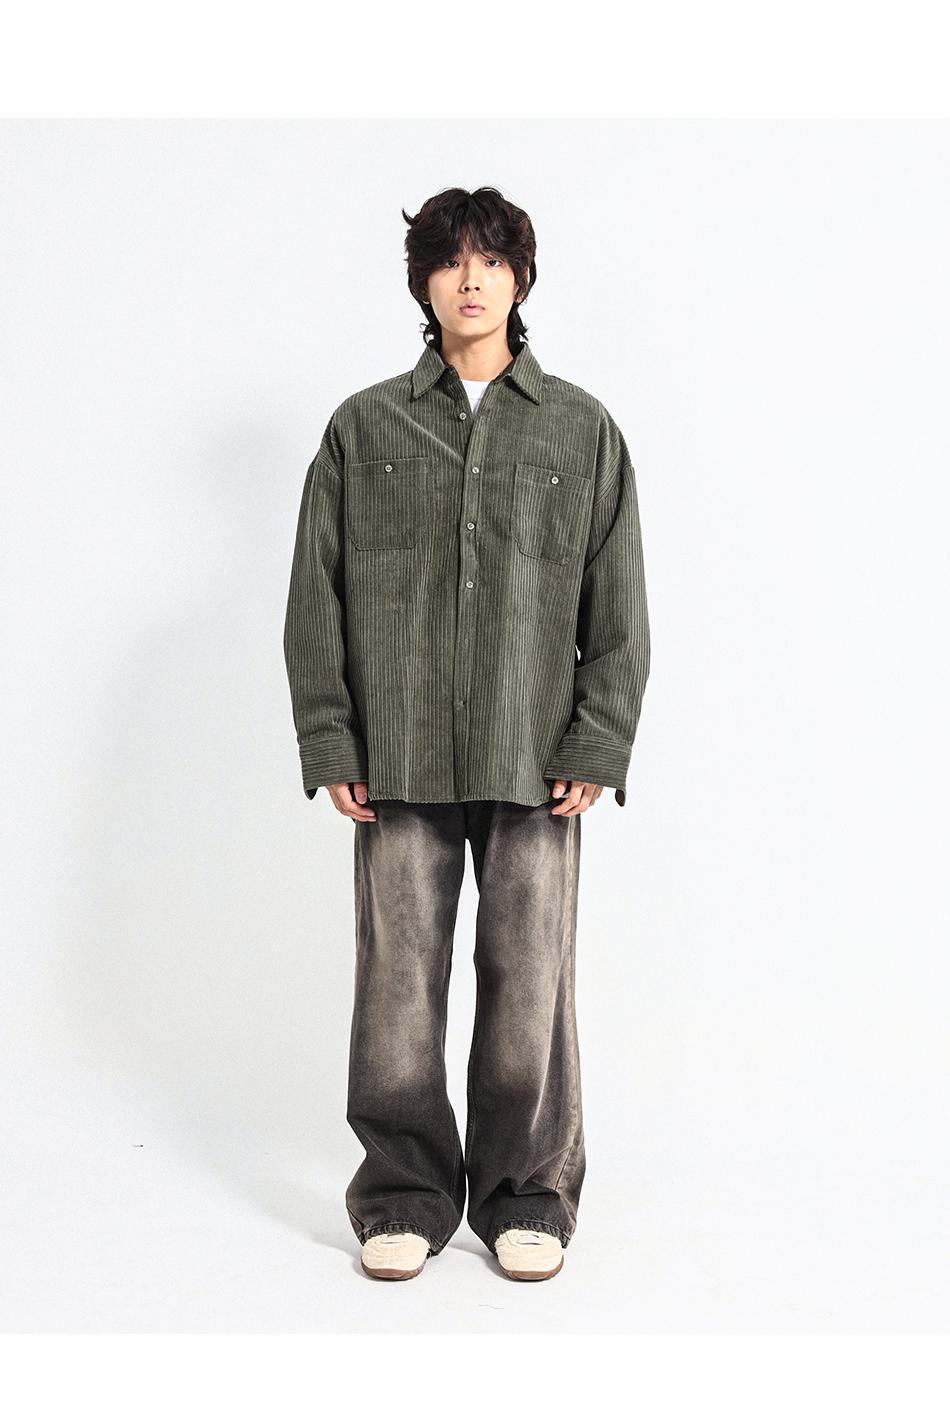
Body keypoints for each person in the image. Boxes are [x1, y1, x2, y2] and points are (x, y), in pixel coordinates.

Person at [283, 186, 650, 1282]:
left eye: (492, 260)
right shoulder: (361, 429)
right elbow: (314, 597)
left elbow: (618, 606)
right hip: (396, 755)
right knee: (397, 981)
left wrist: (596, 741)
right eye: (450, 261)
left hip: (537, 757)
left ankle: (524, 1192)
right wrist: (331, 740)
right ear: (426, 284)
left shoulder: (581, 429)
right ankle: (402, 1192)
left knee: (529, 977)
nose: (472, 279)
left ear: (520, 279)